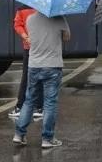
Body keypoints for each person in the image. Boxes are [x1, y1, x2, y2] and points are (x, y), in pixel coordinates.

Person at [13, 12, 70, 148]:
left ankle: (19, 135)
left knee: (29, 100)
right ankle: (47, 138)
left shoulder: (30, 19)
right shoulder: (59, 18)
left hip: (34, 65)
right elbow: (67, 37)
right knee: (50, 103)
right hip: (52, 65)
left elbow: (32, 38)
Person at [9, 7, 44, 119]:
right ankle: (40, 107)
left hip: (29, 48)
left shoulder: (22, 9)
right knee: (41, 77)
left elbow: (17, 25)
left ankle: (20, 107)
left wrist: (25, 36)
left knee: (27, 77)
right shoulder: (44, 9)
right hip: (42, 47)